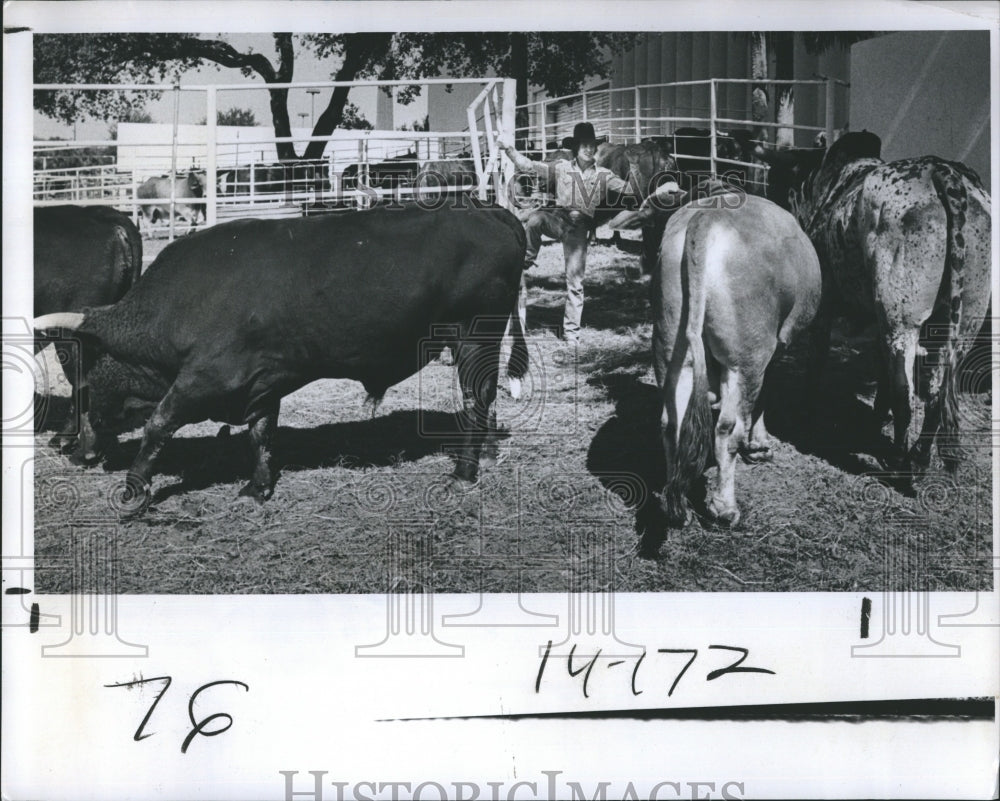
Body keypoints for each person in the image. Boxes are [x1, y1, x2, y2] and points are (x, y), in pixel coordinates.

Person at [498, 122, 634, 343]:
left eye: (593, 146)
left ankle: (571, 334)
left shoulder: (604, 175)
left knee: (575, 282)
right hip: (558, 220)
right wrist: (508, 149)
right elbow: (529, 166)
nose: (590, 150)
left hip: (578, 231)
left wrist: (652, 187)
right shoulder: (561, 167)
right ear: (577, 148)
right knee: (535, 219)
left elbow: (629, 190)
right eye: (585, 146)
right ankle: (528, 258)